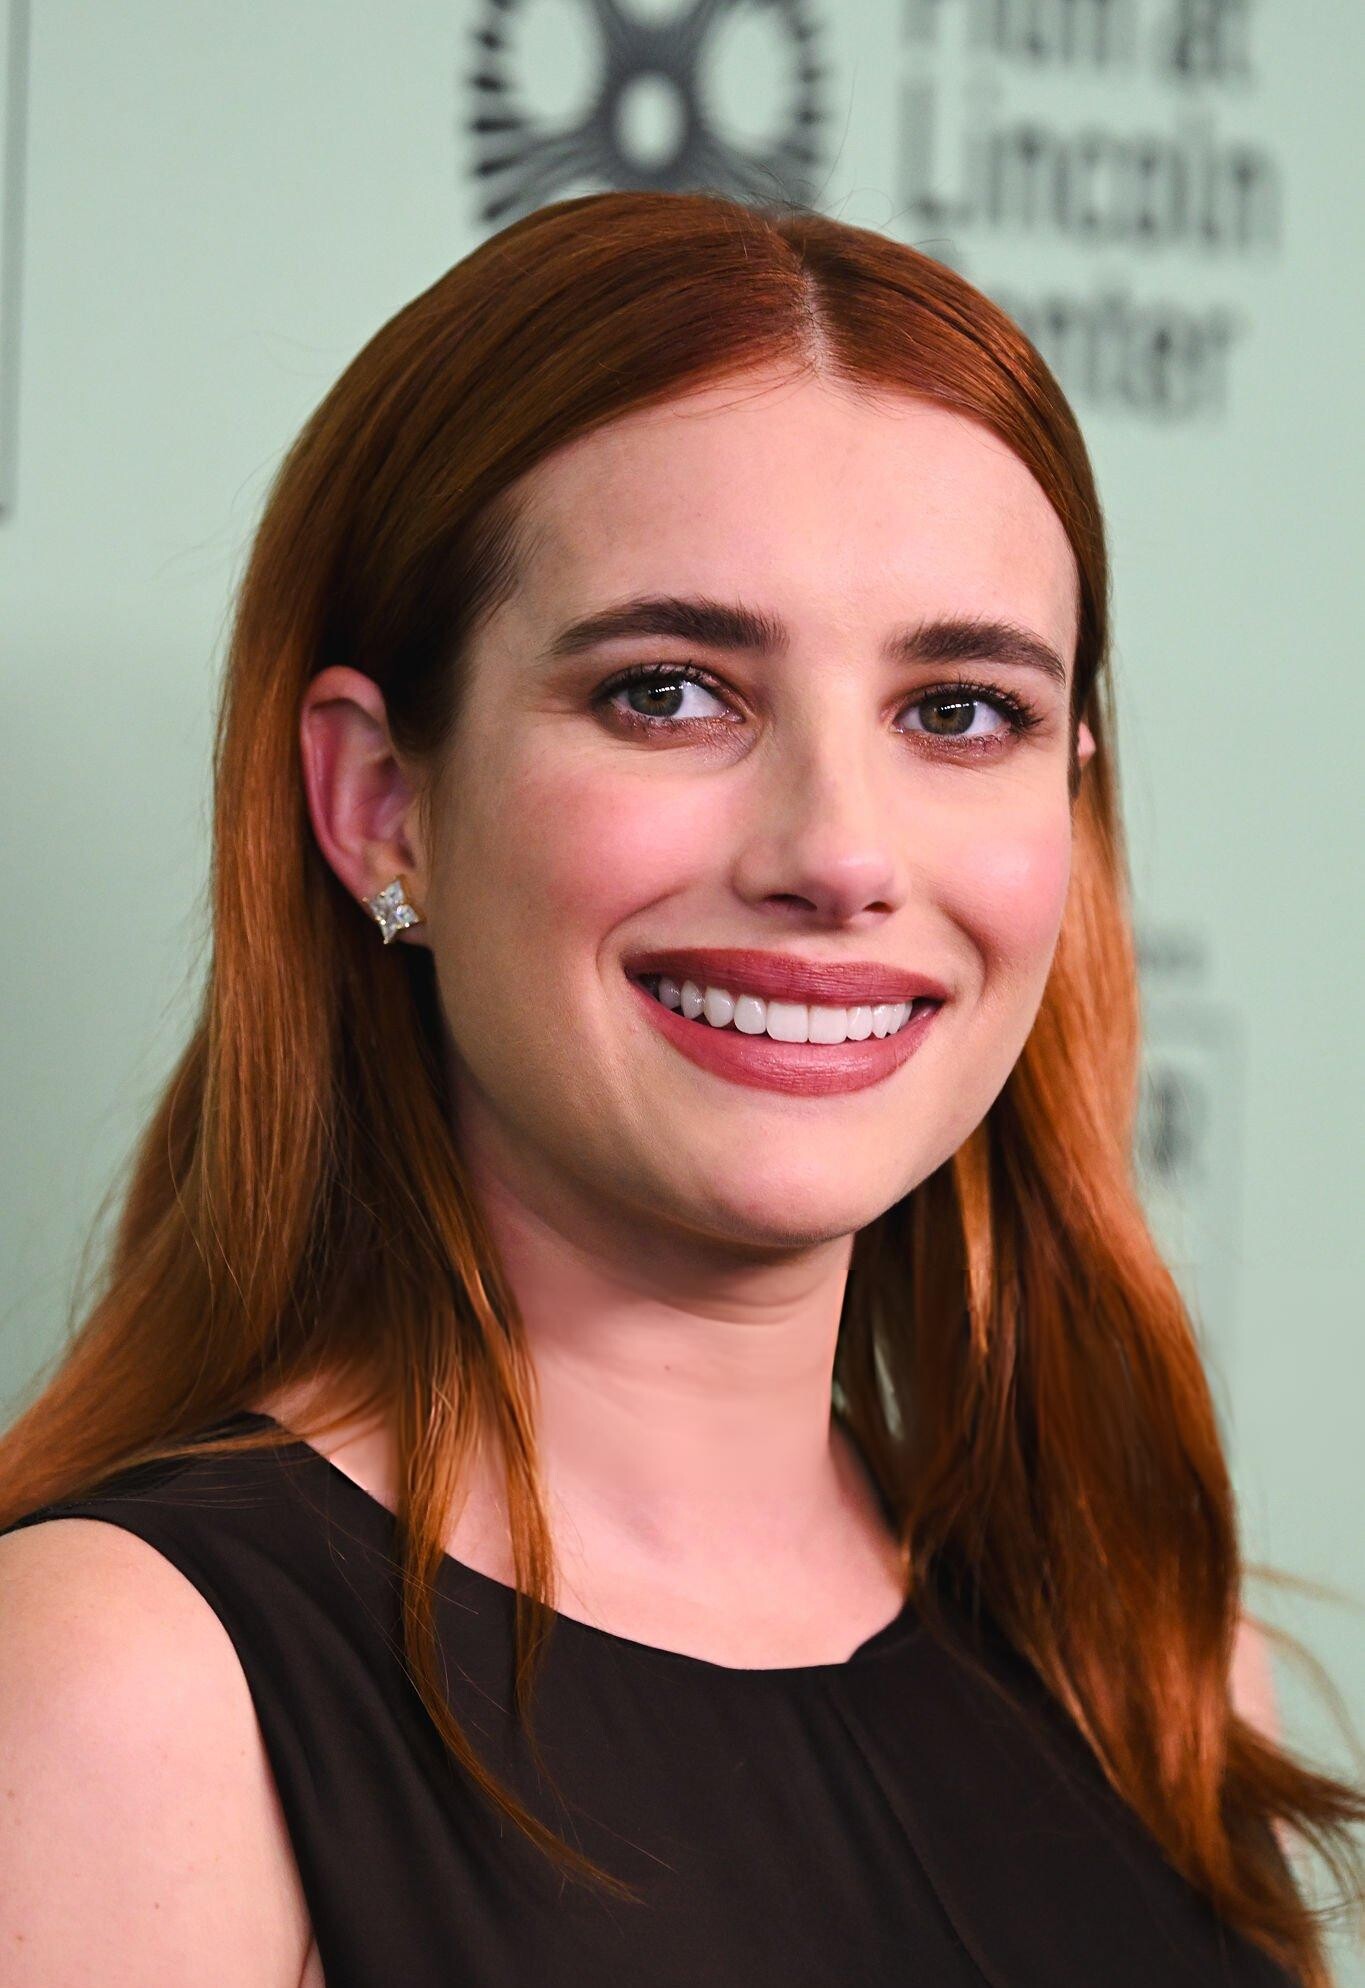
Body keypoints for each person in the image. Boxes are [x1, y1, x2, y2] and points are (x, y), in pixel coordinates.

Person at [0, 190, 1360, 1988]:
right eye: (669, 691)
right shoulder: (118, 1694)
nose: (839, 853)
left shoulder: (1152, 1677)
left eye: (958, 710)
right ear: (380, 802)